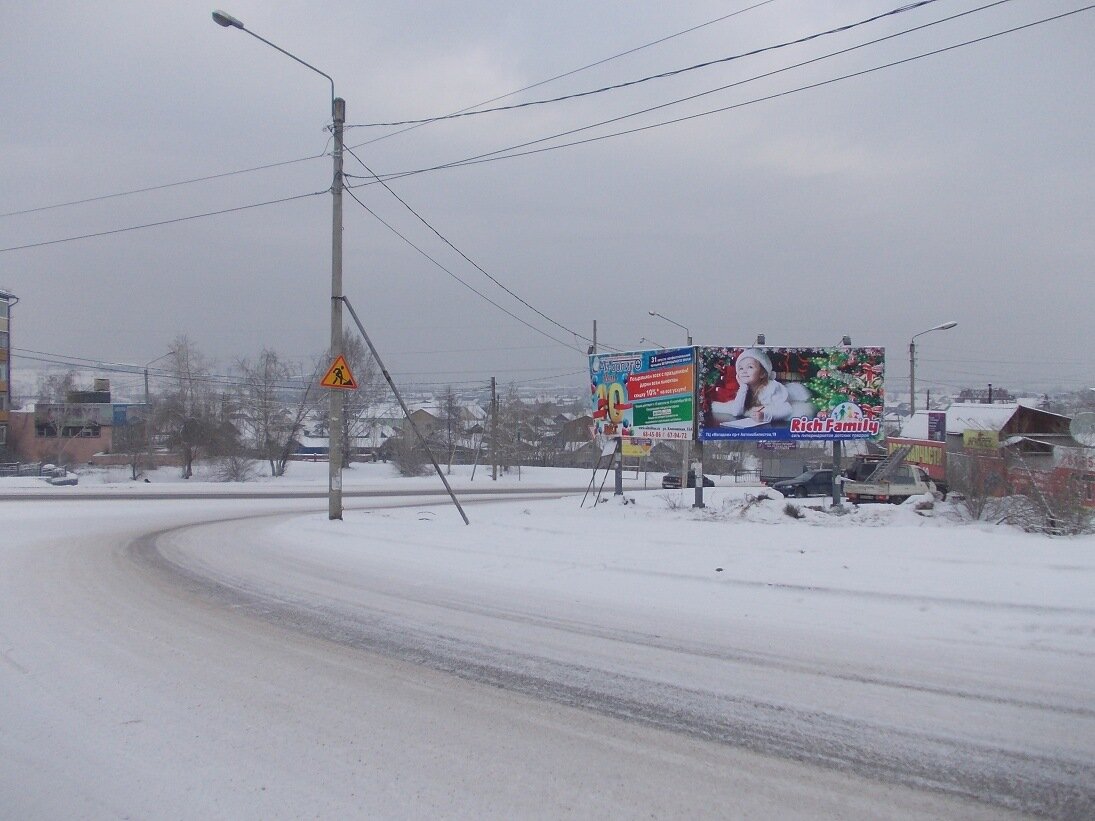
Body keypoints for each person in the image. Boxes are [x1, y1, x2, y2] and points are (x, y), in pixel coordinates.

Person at [709, 348, 793, 424]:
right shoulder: (744, 389)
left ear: (762, 373)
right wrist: (743, 387)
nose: (744, 371)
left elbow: (786, 409)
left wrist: (765, 416)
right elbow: (736, 412)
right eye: (741, 368)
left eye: (750, 367)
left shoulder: (771, 388)